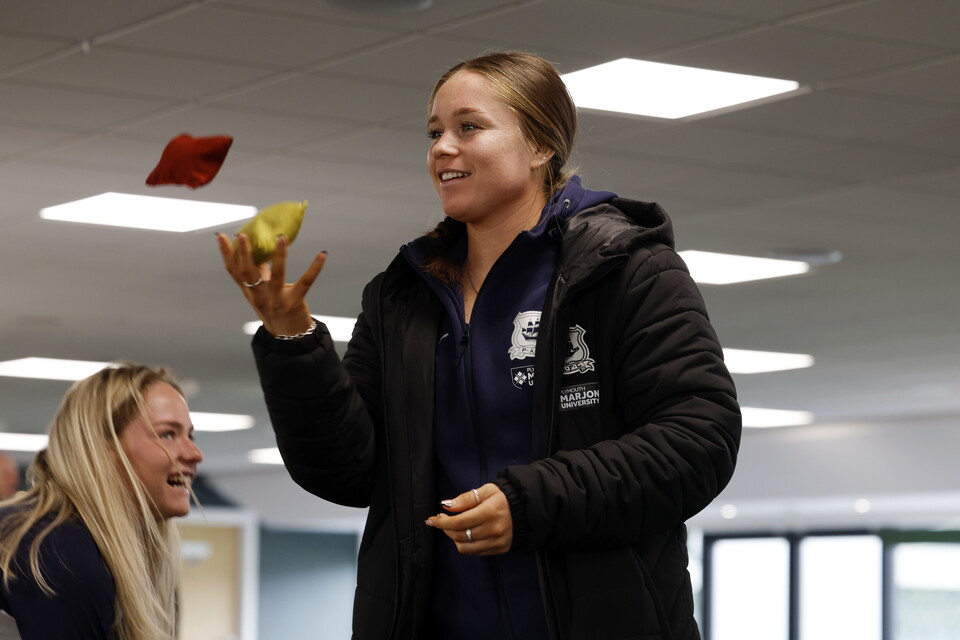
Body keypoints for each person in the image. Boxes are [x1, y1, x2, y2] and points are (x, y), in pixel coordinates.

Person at [217, 51, 741, 640]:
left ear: (542, 146)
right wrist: (294, 341)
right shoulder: (403, 296)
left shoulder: (627, 270)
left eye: (469, 127)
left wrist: (529, 504)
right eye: (435, 132)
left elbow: (699, 440)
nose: (442, 147)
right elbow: (348, 472)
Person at [0, 363, 203, 640]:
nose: (194, 453)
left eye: (190, 436)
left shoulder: (82, 547)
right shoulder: (57, 550)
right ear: (104, 449)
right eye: (167, 434)